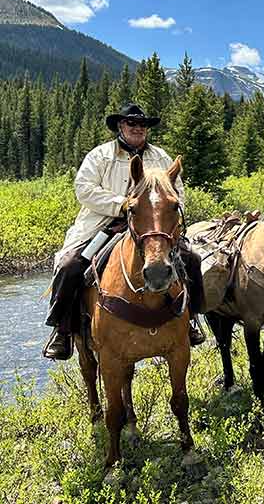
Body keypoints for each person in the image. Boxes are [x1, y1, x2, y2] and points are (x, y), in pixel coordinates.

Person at [42, 103, 206, 360]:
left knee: (192, 259)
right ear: (120, 126)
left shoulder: (161, 158)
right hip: (104, 225)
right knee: (69, 265)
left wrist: (165, 213)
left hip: (152, 227)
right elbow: (83, 189)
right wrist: (121, 204)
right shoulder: (100, 156)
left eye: (142, 125)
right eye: (132, 123)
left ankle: (192, 320)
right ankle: (62, 330)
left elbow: (178, 192)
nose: (138, 128)